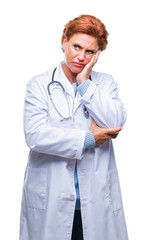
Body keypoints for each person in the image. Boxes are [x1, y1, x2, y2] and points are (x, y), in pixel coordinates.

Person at [19, 15, 128, 240]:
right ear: (64, 41)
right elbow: (36, 135)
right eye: (76, 46)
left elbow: (115, 121)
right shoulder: (39, 85)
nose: (80, 56)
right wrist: (88, 138)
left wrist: (85, 83)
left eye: (90, 51)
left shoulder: (104, 84)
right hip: (50, 200)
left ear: (97, 55)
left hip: (95, 201)